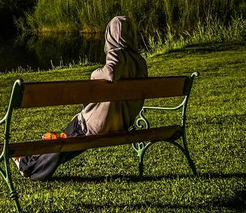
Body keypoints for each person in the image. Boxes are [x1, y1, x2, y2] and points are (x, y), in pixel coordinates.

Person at [15, 14, 148, 181]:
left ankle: (26, 165)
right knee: (67, 139)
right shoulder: (140, 61)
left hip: (97, 125)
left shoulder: (117, 54)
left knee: (65, 141)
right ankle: (27, 162)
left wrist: (93, 75)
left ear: (111, 36)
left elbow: (110, 72)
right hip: (122, 123)